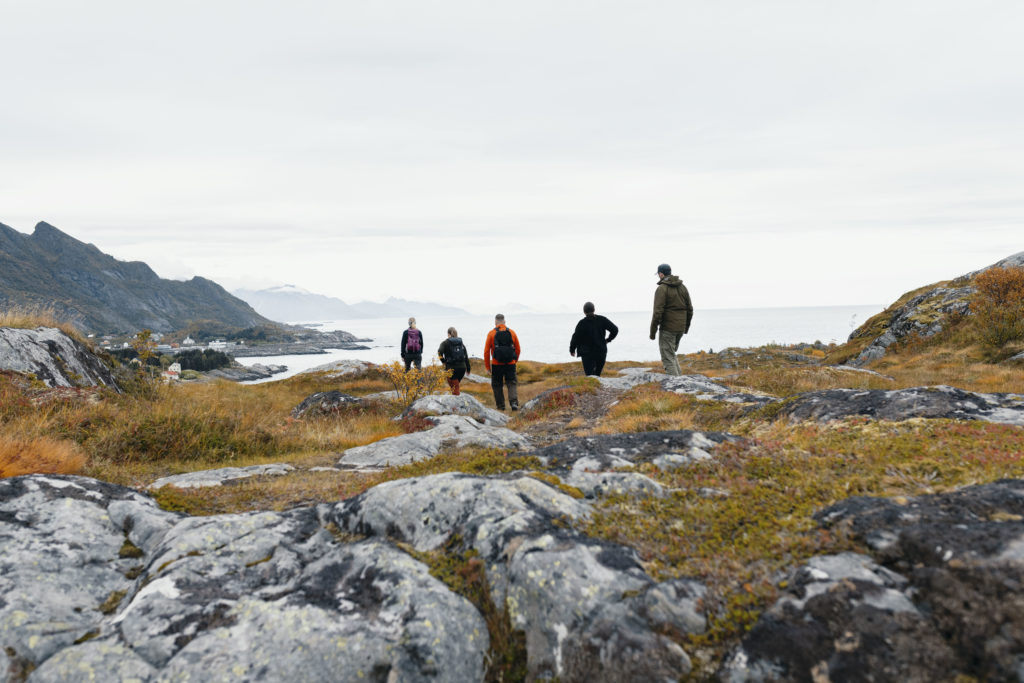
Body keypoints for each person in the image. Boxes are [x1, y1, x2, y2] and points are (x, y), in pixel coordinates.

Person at [649, 263, 693, 376]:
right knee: (671, 354)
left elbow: (657, 312)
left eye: (658, 274)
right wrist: (686, 328)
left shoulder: (662, 288)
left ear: (661, 274)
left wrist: (652, 332)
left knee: (667, 357)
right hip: (680, 328)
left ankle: (676, 386)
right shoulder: (683, 287)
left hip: (668, 329)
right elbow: (690, 309)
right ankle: (681, 381)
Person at [483, 313, 521, 410]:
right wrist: (514, 360)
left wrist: (487, 367)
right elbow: (518, 349)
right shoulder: (512, 333)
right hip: (510, 364)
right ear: (504, 321)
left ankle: (501, 406)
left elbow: (486, 352)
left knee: (497, 385)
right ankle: (513, 403)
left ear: (495, 322)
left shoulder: (491, 334)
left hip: (496, 364)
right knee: (511, 383)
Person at [569, 302, 618, 376]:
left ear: (584, 311)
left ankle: (594, 387)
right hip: (601, 352)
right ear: (594, 309)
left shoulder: (581, 323)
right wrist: (608, 340)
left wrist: (572, 350)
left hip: (587, 354)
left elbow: (575, 338)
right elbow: (615, 329)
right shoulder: (602, 319)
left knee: (590, 376)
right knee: (597, 375)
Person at [437, 327, 471, 395]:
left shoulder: (445, 343)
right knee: (455, 385)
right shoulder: (461, 343)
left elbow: (439, 351)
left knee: (455, 387)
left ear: (448, 334)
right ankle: (455, 399)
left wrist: (443, 361)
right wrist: (468, 369)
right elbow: (466, 357)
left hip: (451, 368)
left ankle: (456, 403)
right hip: (462, 368)